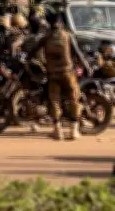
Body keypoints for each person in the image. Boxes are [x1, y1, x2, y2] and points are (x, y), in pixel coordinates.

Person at [30, 10, 87, 140]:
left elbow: (33, 51)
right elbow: (78, 53)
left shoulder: (46, 37)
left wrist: (30, 60)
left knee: (54, 101)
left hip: (52, 74)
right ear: (61, 23)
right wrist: (87, 66)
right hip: (67, 72)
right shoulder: (67, 36)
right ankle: (73, 131)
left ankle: (58, 131)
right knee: (74, 98)